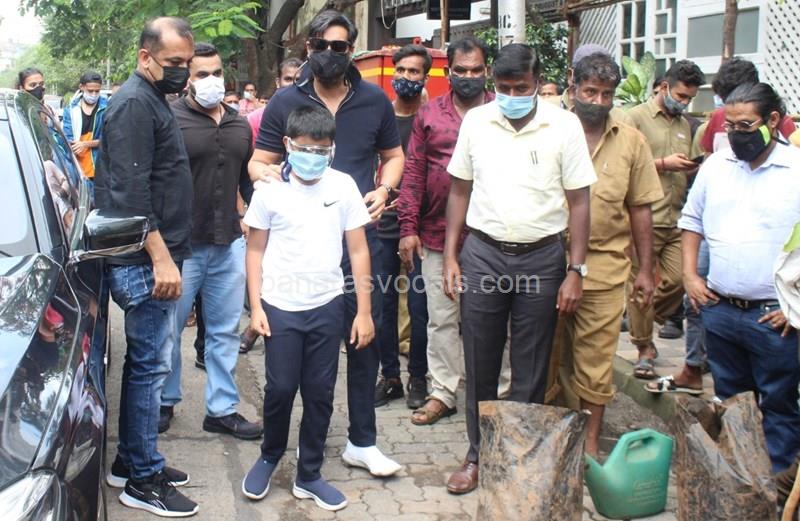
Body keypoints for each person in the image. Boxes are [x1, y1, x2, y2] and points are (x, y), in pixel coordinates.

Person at [249, 9, 404, 477]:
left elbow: (394, 156)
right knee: (296, 362)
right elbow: (258, 161)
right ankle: (290, 444)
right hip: (301, 246)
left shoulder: (374, 100)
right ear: (308, 47)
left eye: (339, 46)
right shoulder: (284, 101)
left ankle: (362, 441)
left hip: (359, 238)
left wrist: (384, 190)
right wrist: (267, 175)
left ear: (351, 50)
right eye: (321, 45)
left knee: (364, 337)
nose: (329, 53)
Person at [442, 43, 595, 494]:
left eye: (521, 88)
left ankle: (517, 456)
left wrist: (576, 269)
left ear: (537, 83)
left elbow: (580, 200)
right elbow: (459, 190)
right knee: (480, 358)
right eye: (504, 88)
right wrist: (451, 255)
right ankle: (478, 453)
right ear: (494, 83)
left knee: (531, 365)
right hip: (483, 254)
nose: (511, 95)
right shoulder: (478, 121)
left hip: (542, 258)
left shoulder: (564, 126)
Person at [241, 105, 373, 511]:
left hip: (327, 306)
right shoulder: (269, 191)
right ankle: (269, 455)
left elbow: (358, 249)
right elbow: (254, 250)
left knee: (319, 392)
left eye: (321, 150)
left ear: (332, 149)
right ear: (287, 145)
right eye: (304, 149)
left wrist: (364, 311)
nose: (312, 157)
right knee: (280, 388)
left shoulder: (343, 186)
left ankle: (309, 473)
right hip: (280, 306)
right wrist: (256, 307)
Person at [94, 17, 198, 517]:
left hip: (155, 255)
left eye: (186, 63)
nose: (182, 71)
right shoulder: (135, 103)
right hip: (145, 260)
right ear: (145, 57)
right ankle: (142, 479)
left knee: (145, 367)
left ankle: (130, 460)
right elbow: (131, 194)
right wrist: (162, 259)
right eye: (173, 62)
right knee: (150, 369)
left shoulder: (153, 98)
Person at [679, 82, 800, 472]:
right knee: (731, 405)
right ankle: (740, 483)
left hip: (775, 319)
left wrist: (797, 308)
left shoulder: (795, 170)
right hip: (721, 310)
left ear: (773, 121)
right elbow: (691, 221)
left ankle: (778, 486)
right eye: (730, 126)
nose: (736, 135)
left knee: (779, 405)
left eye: (746, 126)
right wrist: (690, 276)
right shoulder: (717, 166)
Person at [555, 52, 662, 456]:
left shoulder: (632, 141)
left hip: (605, 266)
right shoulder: (550, 131)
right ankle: (556, 435)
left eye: (606, 94)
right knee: (548, 357)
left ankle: (590, 444)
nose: (598, 102)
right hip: (547, 262)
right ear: (573, 87)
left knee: (596, 360)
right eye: (589, 92)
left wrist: (645, 270)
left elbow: (641, 208)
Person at [397, 36, 505, 426]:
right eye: (461, 70)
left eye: (476, 70)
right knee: (441, 318)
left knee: (493, 320)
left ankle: (497, 398)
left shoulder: (501, 112)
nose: (469, 77)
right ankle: (443, 391)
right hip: (436, 235)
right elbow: (413, 173)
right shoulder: (430, 115)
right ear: (448, 72)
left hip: (492, 237)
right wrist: (407, 227)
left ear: (487, 71)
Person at [157, 42, 262, 440]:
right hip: (182, 248)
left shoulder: (238, 125)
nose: (211, 80)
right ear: (186, 78)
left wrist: (253, 218)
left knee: (223, 332)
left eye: (216, 73)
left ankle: (222, 410)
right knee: (168, 331)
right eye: (202, 74)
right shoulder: (170, 120)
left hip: (228, 243)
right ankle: (164, 401)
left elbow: (247, 181)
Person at [626, 59, 705, 380]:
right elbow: (626, 163)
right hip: (644, 218)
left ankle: (635, 314)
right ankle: (644, 348)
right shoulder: (635, 118)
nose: (684, 102)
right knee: (641, 284)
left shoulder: (686, 125)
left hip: (678, 219)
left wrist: (691, 167)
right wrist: (663, 164)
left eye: (690, 98)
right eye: (681, 95)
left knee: (679, 280)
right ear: (663, 87)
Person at [374, 43, 431, 409]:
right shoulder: (381, 118)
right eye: (401, 71)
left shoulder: (431, 118)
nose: (406, 77)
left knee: (420, 307)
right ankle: (390, 376)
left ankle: (418, 377)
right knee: (383, 303)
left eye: (414, 72)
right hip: (384, 224)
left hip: (422, 228)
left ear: (425, 77)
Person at [238, 58, 305, 354]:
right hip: (267, 200)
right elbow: (250, 164)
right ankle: (256, 324)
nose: (293, 85)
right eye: (288, 79)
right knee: (262, 264)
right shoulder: (256, 119)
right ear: (278, 82)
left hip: (302, 209)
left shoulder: (313, 116)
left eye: (298, 80)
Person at [700, 58, 796, 155]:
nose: (732, 108)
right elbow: (708, 152)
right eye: (730, 125)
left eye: (745, 124)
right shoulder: (718, 116)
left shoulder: (782, 123)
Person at [560, 44, 632, 125]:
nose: (599, 102)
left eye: (606, 93)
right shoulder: (550, 111)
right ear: (571, 76)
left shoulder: (622, 119)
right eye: (591, 91)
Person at [62, 71, 107, 192]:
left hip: (100, 172)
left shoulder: (107, 108)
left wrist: (86, 144)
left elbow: (110, 138)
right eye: (90, 91)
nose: (94, 94)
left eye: (97, 91)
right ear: (81, 87)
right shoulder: (70, 110)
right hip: (78, 171)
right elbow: (67, 139)